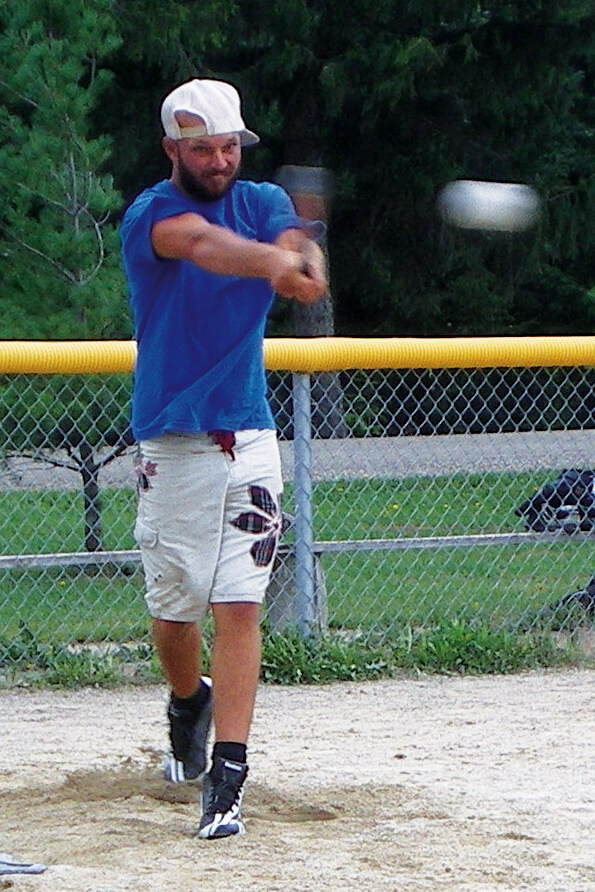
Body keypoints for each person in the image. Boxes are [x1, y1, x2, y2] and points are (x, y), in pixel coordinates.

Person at [120, 78, 327, 840]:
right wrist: (274, 267)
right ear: (171, 148)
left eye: (228, 146)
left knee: (238, 601)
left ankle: (229, 777)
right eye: (201, 147)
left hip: (248, 435)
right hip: (175, 442)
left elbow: (282, 239)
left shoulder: (261, 198)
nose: (218, 160)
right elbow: (211, 249)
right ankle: (187, 699)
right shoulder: (154, 216)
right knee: (176, 609)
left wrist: (300, 255)